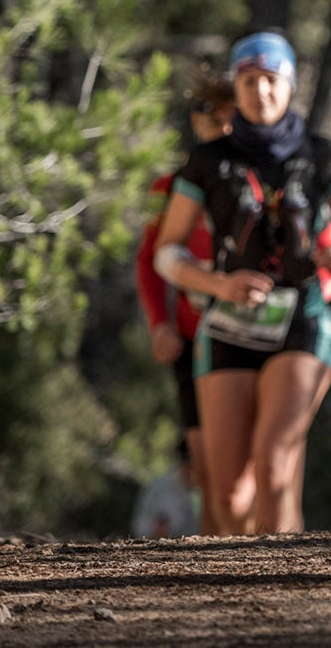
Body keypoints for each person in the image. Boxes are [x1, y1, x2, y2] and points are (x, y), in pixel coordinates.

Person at [150, 31, 331, 534]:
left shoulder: (322, 154)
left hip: (302, 320)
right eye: (248, 81)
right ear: (237, 85)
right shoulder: (208, 161)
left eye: (271, 80)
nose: (260, 92)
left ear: (290, 84)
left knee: (275, 464)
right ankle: (245, 599)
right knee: (229, 494)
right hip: (228, 324)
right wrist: (214, 283)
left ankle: (288, 593)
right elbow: (167, 251)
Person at [134, 74, 235, 533]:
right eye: (214, 118)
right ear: (197, 122)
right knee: (204, 459)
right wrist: (160, 324)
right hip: (194, 338)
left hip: (252, 334)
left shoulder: (266, 178)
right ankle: (215, 559)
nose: (225, 128)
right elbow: (149, 259)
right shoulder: (169, 186)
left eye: (235, 118)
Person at [130, 437, 201, 539]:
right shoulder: (160, 489)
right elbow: (141, 527)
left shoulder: (199, 490)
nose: (194, 474)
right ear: (183, 464)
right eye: (190, 467)